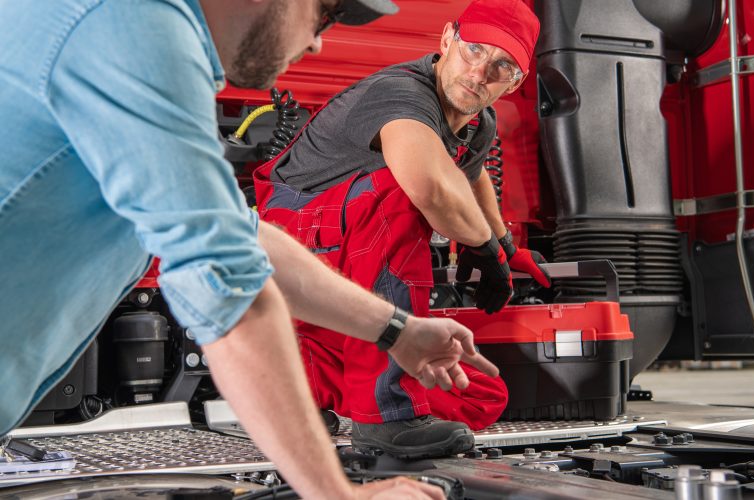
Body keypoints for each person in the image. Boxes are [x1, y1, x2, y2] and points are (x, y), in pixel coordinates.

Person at [0, 1, 501, 498]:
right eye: (322, 15)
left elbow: (240, 238)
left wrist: (399, 332)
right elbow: (226, 280)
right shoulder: (130, 22)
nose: (317, 43)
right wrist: (335, 494)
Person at [254, 0, 549, 459]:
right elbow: (429, 186)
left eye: (501, 66)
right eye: (473, 50)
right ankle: (385, 417)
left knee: (482, 393)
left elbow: (471, 177)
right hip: (290, 239)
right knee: (400, 192)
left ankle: (307, 383)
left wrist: (506, 247)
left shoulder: (478, 120)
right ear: (447, 38)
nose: (479, 72)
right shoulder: (401, 92)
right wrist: (485, 249)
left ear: (517, 81)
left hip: (343, 258)